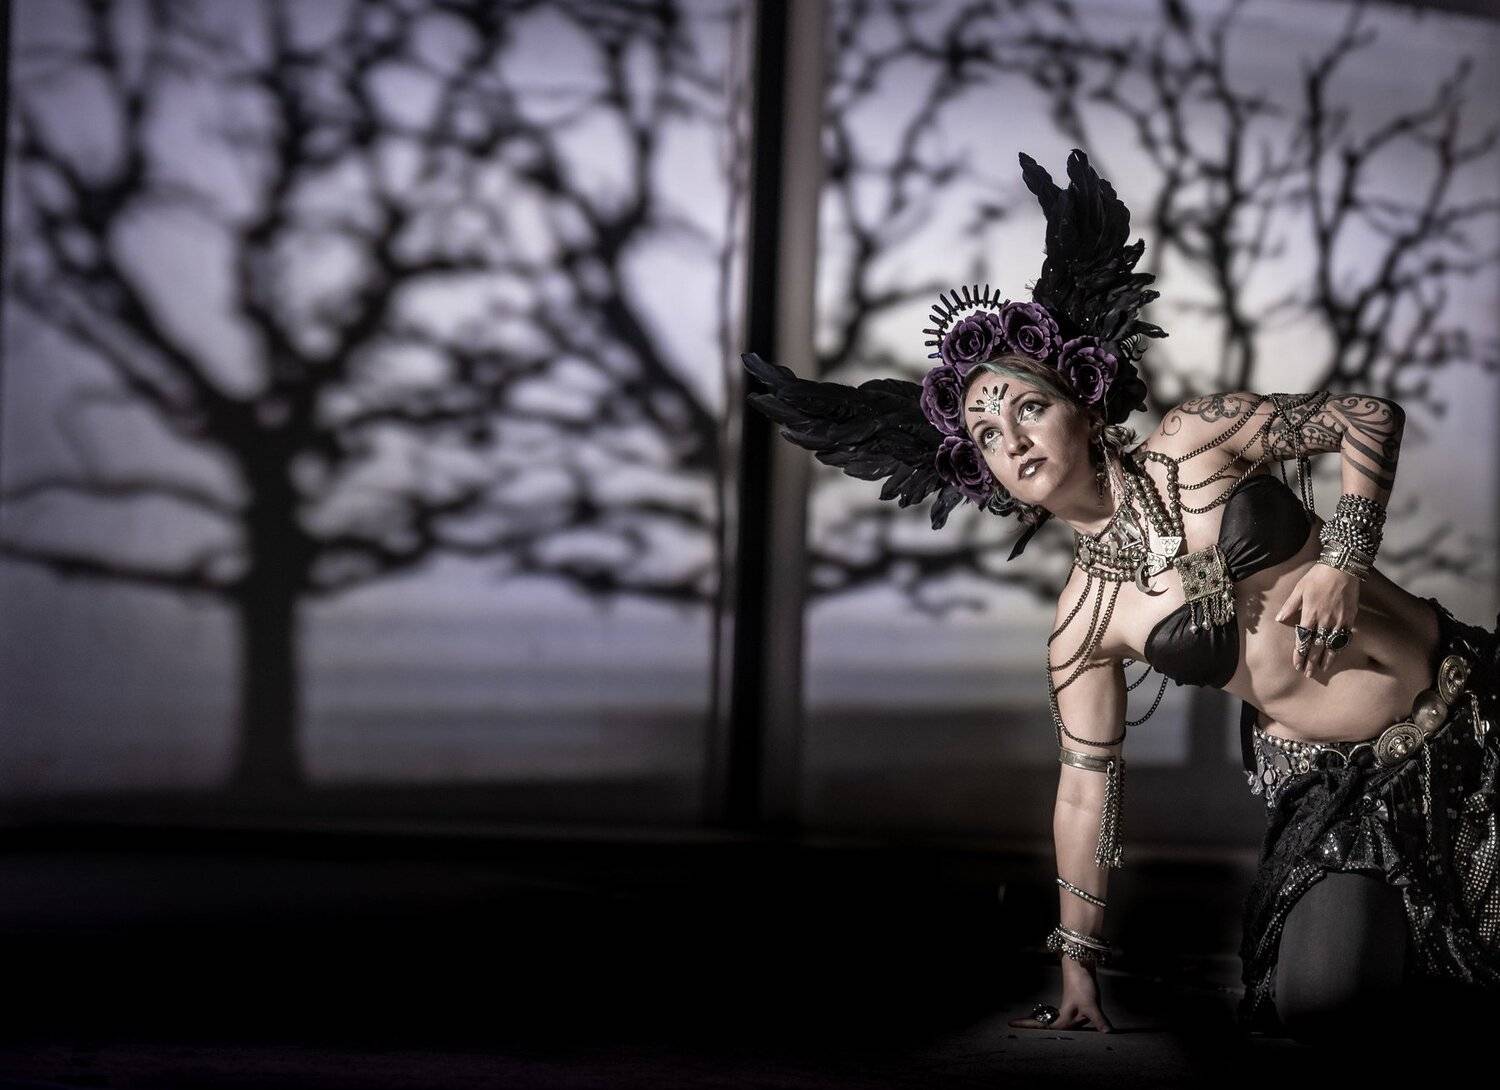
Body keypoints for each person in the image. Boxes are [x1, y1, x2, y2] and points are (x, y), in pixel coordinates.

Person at [742, 149, 1500, 1044]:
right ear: (983, 474)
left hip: (1474, 711)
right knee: (1323, 1006)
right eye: (985, 435)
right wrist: (1077, 966)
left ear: (1085, 402)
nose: (1011, 439)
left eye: (1026, 407)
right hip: (1347, 799)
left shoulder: (1200, 441)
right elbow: (1084, 797)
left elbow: (1369, 418)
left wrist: (1342, 558)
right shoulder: (1085, 624)